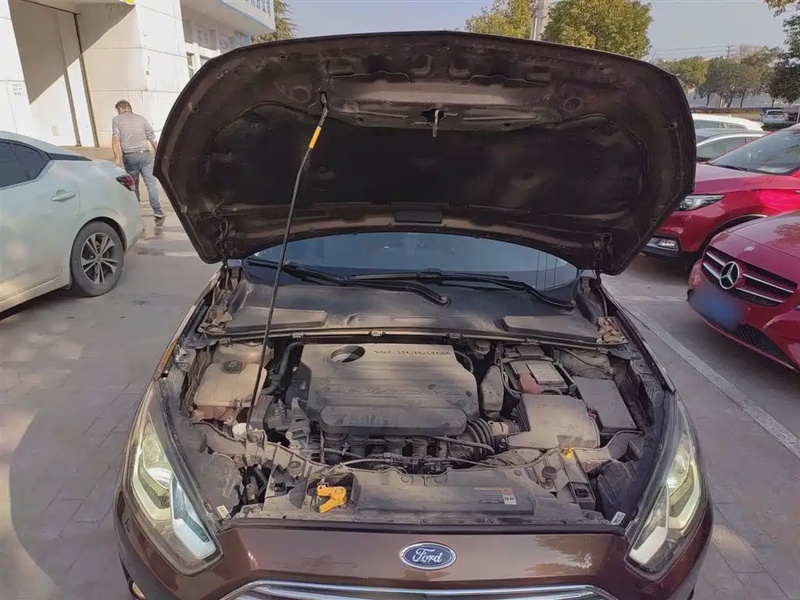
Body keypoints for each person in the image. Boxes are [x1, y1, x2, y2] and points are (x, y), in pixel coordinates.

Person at [111, 100, 164, 220]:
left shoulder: (117, 120)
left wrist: (117, 160)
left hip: (129, 156)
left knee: (133, 184)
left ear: (120, 109)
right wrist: (159, 154)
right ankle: (157, 210)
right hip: (145, 154)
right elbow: (152, 138)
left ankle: (136, 209)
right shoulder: (141, 119)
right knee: (151, 184)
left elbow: (115, 139)